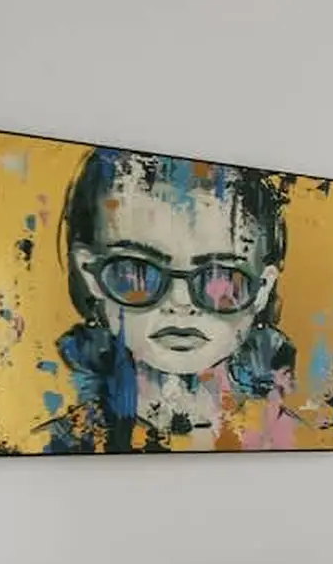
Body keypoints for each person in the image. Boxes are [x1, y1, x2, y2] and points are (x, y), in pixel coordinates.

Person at [43, 148, 298, 452]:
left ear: (263, 288)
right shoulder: (59, 443)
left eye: (220, 279)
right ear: (91, 275)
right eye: (137, 273)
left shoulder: (294, 436)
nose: (179, 302)